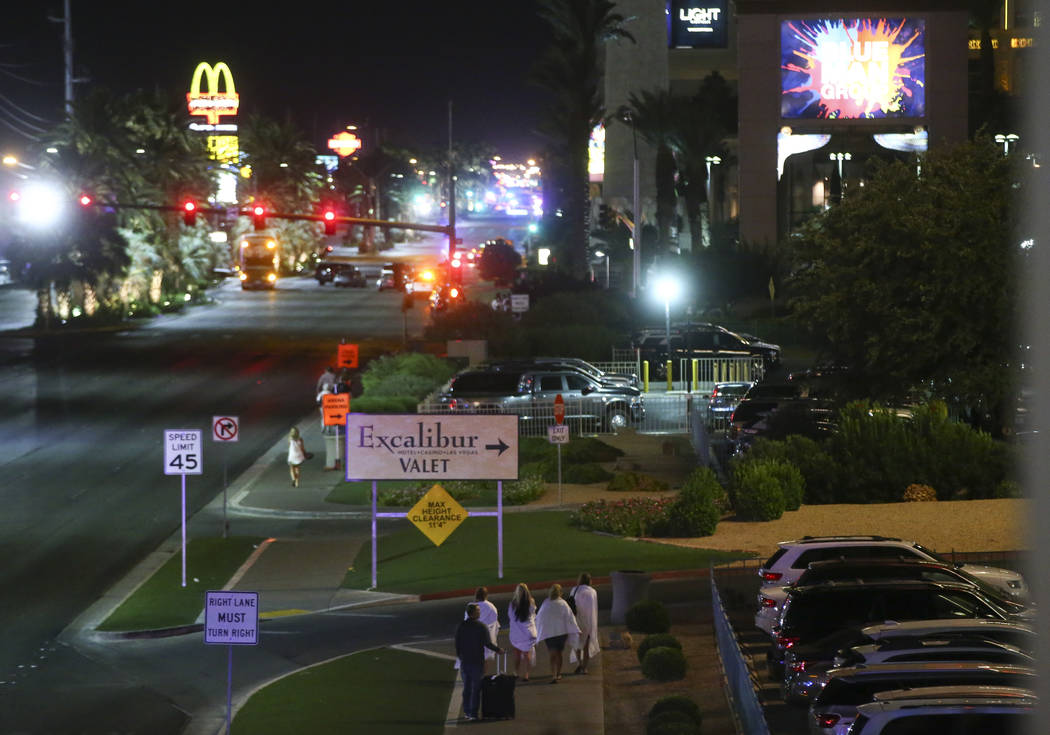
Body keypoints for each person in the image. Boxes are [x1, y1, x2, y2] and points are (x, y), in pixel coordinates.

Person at [455, 602, 503, 721]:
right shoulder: (481, 627)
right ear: (473, 613)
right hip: (477, 661)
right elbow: (487, 643)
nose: (479, 613)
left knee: (467, 687)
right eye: (478, 611)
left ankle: (467, 711)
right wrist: (498, 650)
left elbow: (457, 643)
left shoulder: (461, 626)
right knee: (476, 688)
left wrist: (460, 656)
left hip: (465, 661)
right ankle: (473, 713)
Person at [534, 583, 580, 683]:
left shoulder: (546, 603)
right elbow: (570, 617)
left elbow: (539, 617)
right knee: (559, 654)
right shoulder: (563, 603)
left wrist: (537, 629)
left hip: (550, 634)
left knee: (552, 654)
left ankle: (554, 675)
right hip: (561, 633)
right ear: (560, 593)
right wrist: (575, 629)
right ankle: (558, 673)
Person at [569, 572, 600, 674]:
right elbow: (594, 609)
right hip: (587, 621)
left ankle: (579, 664)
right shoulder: (592, 592)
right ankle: (584, 667)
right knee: (586, 646)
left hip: (576, 621)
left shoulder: (574, 590)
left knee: (577, 644)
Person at [507, 583, 538, 681]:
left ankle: (516, 672)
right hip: (528, 633)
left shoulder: (513, 604)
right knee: (527, 654)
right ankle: (526, 674)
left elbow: (510, 616)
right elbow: (533, 614)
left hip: (516, 633)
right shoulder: (531, 602)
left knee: (517, 654)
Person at [471, 587, 500, 669]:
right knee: (484, 660)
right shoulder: (491, 607)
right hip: (487, 638)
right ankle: (481, 678)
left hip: (474, 638)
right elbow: (495, 623)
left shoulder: (471, 606)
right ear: (486, 595)